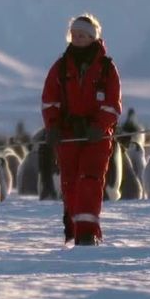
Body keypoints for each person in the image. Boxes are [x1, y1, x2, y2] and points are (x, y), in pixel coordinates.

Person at [40, 14, 122, 246]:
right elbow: (50, 101)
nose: (78, 39)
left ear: (93, 37)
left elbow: (112, 105)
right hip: (68, 134)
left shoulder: (106, 68)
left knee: (90, 178)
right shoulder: (61, 66)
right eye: (75, 35)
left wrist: (99, 126)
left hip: (96, 136)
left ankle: (87, 232)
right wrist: (53, 126)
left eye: (83, 35)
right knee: (70, 181)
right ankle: (73, 229)